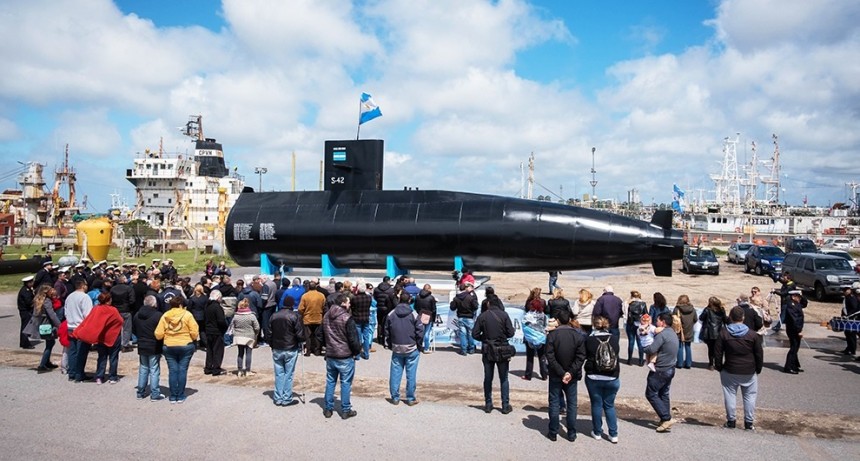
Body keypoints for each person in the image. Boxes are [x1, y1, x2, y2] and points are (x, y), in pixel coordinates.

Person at [715, 306, 764, 431]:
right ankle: (749, 423)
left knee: (730, 395)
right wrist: (758, 368)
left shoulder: (724, 333)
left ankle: (731, 421)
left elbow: (718, 352)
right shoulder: (752, 335)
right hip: (749, 370)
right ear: (743, 317)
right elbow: (759, 353)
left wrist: (719, 367)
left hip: (730, 369)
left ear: (730, 317)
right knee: (750, 397)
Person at [545, 308, 587, 442]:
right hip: (570, 375)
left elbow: (550, 357)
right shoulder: (578, 335)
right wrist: (569, 372)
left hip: (558, 374)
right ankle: (571, 433)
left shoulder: (552, 335)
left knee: (554, 402)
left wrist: (563, 372)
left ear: (557, 320)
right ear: (569, 320)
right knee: (571, 404)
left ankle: (553, 431)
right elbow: (581, 357)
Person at [321, 293, 362, 419]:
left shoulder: (326, 316)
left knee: (331, 381)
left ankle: (328, 408)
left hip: (331, 354)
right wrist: (356, 352)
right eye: (348, 302)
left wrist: (326, 347)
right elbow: (353, 339)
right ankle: (345, 409)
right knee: (345, 383)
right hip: (344, 355)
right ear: (343, 303)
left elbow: (322, 334)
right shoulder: (347, 318)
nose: (350, 304)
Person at [472, 295, 515, 414]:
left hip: (488, 349)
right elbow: (510, 333)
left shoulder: (483, 316)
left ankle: (488, 404)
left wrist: (485, 339)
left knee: (488, 378)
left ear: (489, 304)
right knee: (504, 378)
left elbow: (474, 334)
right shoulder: (504, 315)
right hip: (502, 349)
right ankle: (505, 405)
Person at [154, 296, 199, 403]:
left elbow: (158, 334)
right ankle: (181, 394)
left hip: (169, 345)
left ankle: (173, 395)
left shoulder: (165, 315)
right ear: (181, 305)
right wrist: (192, 338)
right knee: (182, 370)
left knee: (173, 370)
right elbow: (194, 331)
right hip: (185, 344)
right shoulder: (187, 315)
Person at [583, 315, 620, 443]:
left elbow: (586, 355)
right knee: (609, 405)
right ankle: (613, 434)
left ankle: (597, 431)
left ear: (594, 325)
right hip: (612, 375)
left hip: (594, 375)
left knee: (597, 404)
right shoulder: (614, 339)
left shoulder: (589, 340)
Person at [72, 292, 124, 384]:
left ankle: (99, 376)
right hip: (113, 336)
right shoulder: (113, 310)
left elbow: (89, 320)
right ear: (108, 300)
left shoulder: (96, 309)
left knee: (102, 357)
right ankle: (112, 377)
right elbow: (120, 320)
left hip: (101, 336)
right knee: (113, 357)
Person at [384, 292, 424, 406]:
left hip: (397, 346)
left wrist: (389, 344)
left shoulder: (391, 314)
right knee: (411, 374)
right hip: (411, 347)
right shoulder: (413, 314)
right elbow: (420, 331)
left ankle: (395, 397)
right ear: (409, 300)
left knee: (395, 373)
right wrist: (419, 345)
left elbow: (386, 330)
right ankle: (410, 398)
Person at [643, 312, 679, 433]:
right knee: (664, 393)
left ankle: (666, 418)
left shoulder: (662, 335)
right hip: (670, 368)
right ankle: (664, 419)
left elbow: (651, 348)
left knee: (651, 393)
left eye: (658, 320)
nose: (656, 323)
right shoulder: (672, 332)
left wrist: (644, 345)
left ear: (663, 322)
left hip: (661, 369)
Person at [269, 295, 304, 406]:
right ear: (292, 305)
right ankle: (286, 397)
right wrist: (302, 341)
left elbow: (269, 332)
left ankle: (278, 397)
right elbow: (300, 333)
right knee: (288, 374)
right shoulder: (294, 316)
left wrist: (272, 344)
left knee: (279, 373)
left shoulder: (274, 316)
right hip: (290, 347)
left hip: (277, 347)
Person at [133, 295, 165, 400]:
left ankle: (140, 392)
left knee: (143, 368)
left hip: (142, 343)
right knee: (154, 369)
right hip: (154, 344)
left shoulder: (137, 315)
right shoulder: (158, 315)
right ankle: (155, 393)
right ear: (154, 304)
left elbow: (134, 330)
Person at [24, 284, 61, 371]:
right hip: (47, 324)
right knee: (50, 343)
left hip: (42, 324)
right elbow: (51, 314)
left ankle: (47, 362)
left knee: (50, 342)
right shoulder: (47, 301)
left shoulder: (38, 299)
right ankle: (43, 364)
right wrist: (59, 325)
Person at [64, 279, 93, 382]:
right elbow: (88, 315)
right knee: (81, 352)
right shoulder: (85, 297)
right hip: (80, 327)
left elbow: (66, 312)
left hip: (70, 326)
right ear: (83, 286)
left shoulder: (69, 297)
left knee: (72, 351)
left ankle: (72, 372)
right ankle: (79, 374)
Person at [522, 291, 548, 381]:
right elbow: (545, 326)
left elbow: (524, 325)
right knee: (542, 357)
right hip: (541, 339)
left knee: (530, 357)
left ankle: (528, 375)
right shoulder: (543, 316)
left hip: (529, 339)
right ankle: (544, 375)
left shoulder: (527, 316)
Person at [233, 298, 261, 376]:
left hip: (239, 336)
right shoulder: (251, 316)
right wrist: (256, 333)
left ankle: (239, 370)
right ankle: (248, 370)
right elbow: (257, 327)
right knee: (248, 353)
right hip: (249, 336)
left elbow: (233, 326)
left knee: (240, 353)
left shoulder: (236, 316)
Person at [204, 290, 229, 376]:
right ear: (218, 298)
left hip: (208, 330)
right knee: (217, 350)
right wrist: (225, 328)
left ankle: (208, 367)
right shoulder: (217, 307)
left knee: (210, 350)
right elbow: (221, 320)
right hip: (216, 331)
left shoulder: (207, 306)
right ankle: (216, 369)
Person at [698, 296, 727, 370]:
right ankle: (718, 364)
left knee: (711, 349)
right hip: (719, 331)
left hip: (709, 332)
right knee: (718, 349)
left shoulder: (707, 310)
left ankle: (711, 364)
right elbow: (725, 320)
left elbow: (701, 318)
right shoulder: (722, 310)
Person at [298, 280, 326, 356]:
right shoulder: (321, 295)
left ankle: (308, 351)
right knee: (317, 336)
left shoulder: (305, 296)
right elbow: (324, 306)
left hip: (307, 318)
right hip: (318, 318)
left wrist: (303, 314)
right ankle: (317, 351)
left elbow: (300, 308)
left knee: (308, 336)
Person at [109, 274, 136, 352]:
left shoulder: (113, 289)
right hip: (126, 310)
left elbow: (110, 299)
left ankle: (117, 343)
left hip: (116, 310)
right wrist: (129, 307)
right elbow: (132, 300)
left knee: (116, 328)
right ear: (124, 280)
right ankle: (125, 344)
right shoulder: (128, 288)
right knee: (126, 328)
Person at [453, 282, 479, 355]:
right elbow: (475, 306)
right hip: (469, 317)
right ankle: (471, 349)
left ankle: (464, 350)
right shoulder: (470, 297)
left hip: (460, 316)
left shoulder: (456, 298)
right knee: (470, 333)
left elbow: (452, 307)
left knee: (462, 334)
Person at [782, 290, 805, 374]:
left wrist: (802, 295)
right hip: (793, 330)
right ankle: (788, 367)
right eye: (798, 296)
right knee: (793, 348)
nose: (800, 298)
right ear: (793, 296)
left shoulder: (796, 304)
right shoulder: (791, 305)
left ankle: (794, 365)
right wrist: (799, 331)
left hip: (795, 329)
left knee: (795, 348)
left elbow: (805, 303)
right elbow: (794, 319)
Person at [673, 294, 696, 369]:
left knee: (679, 346)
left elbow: (673, 319)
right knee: (688, 346)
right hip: (689, 329)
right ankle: (688, 363)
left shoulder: (677, 309)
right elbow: (695, 319)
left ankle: (679, 363)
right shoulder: (692, 309)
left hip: (679, 330)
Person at [625, 290, 648, 366]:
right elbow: (646, 315)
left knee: (631, 341)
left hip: (631, 324)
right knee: (640, 342)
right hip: (640, 324)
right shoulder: (643, 304)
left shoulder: (629, 303)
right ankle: (641, 361)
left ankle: (629, 360)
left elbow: (626, 314)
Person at [413, 284, 437, 354]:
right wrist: (433, 318)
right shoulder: (431, 297)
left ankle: (418, 346)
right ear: (429, 289)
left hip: (420, 315)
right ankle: (426, 348)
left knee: (419, 331)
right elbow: (434, 309)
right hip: (428, 316)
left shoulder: (417, 297)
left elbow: (415, 307)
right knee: (427, 333)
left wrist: (419, 312)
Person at [373, 276, 396, 344]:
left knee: (379, 323)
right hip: (388, 309)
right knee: (386, 324)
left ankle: (379, 337)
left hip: (379, 308)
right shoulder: (391, 290)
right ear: (388, 281)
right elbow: (392, 300)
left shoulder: (376, 289)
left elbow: (375, 298)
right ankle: (385, 338)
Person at [187, 284, 208, 350]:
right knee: (202, 331)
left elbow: (189, 308)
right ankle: (206, 344)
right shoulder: (205, 298)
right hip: (203, 316)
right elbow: (206, 307)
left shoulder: (192, 298)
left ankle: (194, 345)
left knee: (193, 331)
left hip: (194, 317)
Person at [18, 276, 36, 349]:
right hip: (25, 311)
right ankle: (25, 343)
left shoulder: (28, 290)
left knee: (25, 327)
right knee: (25, 327)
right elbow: (28, 302)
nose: (32, 283)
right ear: (28, 283)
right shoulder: (25, 291)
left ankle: (23, 342)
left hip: (26, 310)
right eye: (31, 282)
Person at [840, 286, 859, 356]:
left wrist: (849, 315)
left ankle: (852, 349)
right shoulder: (847, 298)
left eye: (846, 290)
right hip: (847, 318)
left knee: (851, 335)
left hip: (851, 319)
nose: (844, 292)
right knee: (847, 334)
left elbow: (854, 308)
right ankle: (849, 348)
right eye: (844, 290)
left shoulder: (851, 298)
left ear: (849, 290)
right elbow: (844, 308)